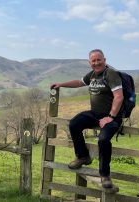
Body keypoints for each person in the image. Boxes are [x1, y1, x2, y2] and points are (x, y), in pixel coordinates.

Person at [50, 49, 124, 188]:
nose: (96, 63)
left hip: (112, 117)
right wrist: (61, 84)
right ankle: (83, 156)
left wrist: (110, 117)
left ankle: (105, 175)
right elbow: (79, 82)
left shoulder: (111, 74)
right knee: (74, 124)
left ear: (104, 60)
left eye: (99, 60)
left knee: (103, 140)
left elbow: (119, 97)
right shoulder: (93, 75)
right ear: (90, 63)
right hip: (95, 114)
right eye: (93, 61)